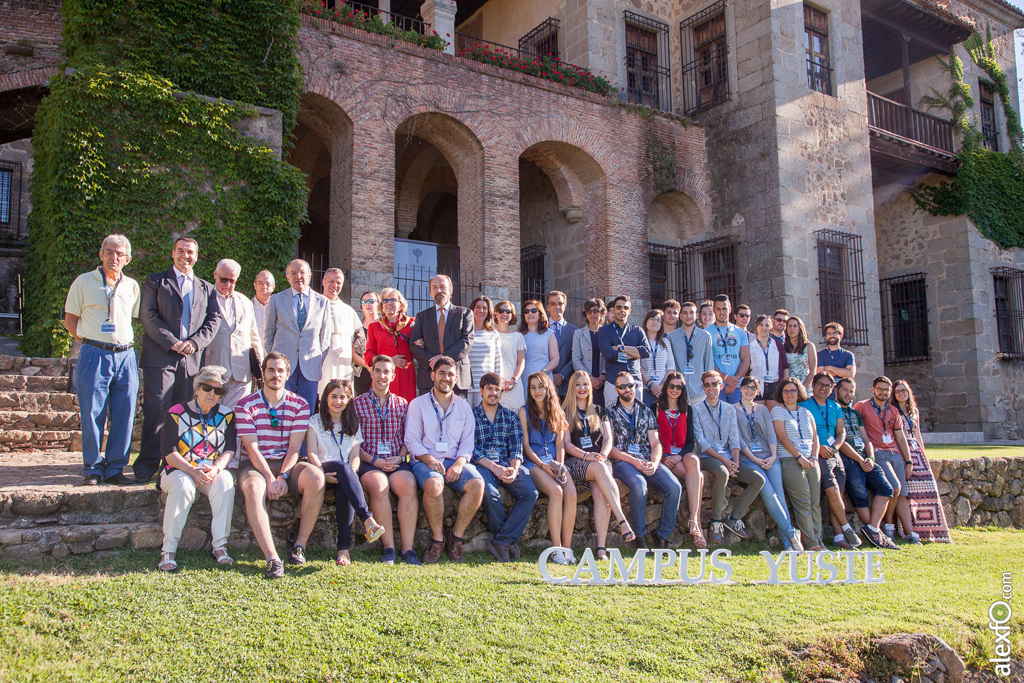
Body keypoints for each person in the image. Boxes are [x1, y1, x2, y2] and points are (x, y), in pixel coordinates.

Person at [137, 236, 222, 484]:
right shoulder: (156, 281)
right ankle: (147, 464)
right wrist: (173, 342)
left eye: (191, 252)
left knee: (184, 414)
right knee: (157, 410)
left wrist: (194, 343)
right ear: (173, 253)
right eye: (181, 251)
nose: (186, 255)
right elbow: (148, 316)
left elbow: (213, 320)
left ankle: (177, 465)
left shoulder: (206, 288)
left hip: (191, 360)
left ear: (197, 256)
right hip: (161, 356)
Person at [234, 352, 325, 579]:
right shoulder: (245, 405)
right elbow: (252, 449)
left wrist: (283, 476)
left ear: (287, 375)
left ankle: (299, 546)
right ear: (263, 374)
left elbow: (295, 448)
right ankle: (272, 558)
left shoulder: (300, 404)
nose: (276, 375)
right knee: (254, 489)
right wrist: (269, 478)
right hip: (256, 464)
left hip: (288, 463)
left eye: (280, 371)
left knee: (316, 478)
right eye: (271, 370)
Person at [63, 234, 142, 486]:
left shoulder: (132, 286)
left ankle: (116, 468)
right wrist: (92, 340)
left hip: (125, 355)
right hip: (94, 354)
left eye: (119, 254)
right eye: (109, 252)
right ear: (101, 254)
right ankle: (93, 468)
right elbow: (70, 320)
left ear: (127, 259)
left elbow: (132, 319)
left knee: (125, 412)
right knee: (92, 412)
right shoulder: (83, 282)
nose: (114, 257)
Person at [157, 365, 237, 571]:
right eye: (207, 388)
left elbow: (229, 449)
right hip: (178, 470)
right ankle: (168, 550)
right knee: (184, 487)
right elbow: (168, 452)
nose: (212, 394)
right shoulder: (176, 413)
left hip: (210, 471)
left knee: (226, 481)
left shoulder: (226, 415)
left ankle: (220, 546)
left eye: (218, 390)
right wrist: (192, 471)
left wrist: (217, 469)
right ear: (197, 388)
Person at [404, 356, 484, 563]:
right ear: (432, 375)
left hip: (453, 461)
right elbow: (411, 441)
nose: (446, 378)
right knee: (434, 484)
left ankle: (455, 537)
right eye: (441, 373)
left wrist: (459, 463)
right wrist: (429, 459)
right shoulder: (417, 404)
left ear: (456, 378)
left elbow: (467, 443)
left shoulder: (464, 408)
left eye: (450, 374)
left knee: (477, 484)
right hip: (424, 461)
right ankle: (438, 540)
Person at [306, 379, 385, 566]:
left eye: (343, 397)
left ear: (349, 399)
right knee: (342, 467)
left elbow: (355, 456)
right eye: (334, 396)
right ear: (326, 398)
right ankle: (367, 519)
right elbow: (311, 453)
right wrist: (321, 474)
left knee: (344, 482)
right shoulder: (315, 421)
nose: (338, 401)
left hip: (345, 473)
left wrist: (352, 471)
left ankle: (343, 550)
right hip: (322, 469)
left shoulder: (352, 423)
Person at [561, 370, 636, 560]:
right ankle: (622, 520)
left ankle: (601, 549)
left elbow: (608, 438)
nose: (582, 388)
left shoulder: (600, 410)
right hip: (577, 461)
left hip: (600, 461)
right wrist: (587, 456)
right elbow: (567, 445)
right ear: (572, 387)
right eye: (577, 384)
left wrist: (602, 455)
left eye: (585, 384)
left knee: (601, 495)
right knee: (601, 469)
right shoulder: (565, 411)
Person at [353, 355, 421, 565]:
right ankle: (389, 548)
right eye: (378, 370)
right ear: (371, 373)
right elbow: (354, 443)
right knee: (379, 485)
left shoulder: (402, 404)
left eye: (386, 372)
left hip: (396, 460)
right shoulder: (357, 404)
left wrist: (400, 456)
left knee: (408, 485)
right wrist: (375, 461)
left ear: (393, 376)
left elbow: (407, 438)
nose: (382, 375)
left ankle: (408, 550)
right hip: (368, 461)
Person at [607, 371, 682, 549]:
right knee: (640, 485)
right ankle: (639, 537)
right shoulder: (608, 413)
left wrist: (655, 463)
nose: (627, 389)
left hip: (647, 459)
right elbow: (610, 448)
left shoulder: (646, 411)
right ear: (616, 390)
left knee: (674, 487)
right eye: (622, 387)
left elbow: (655, 443)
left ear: (636, 386)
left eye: (630, 385)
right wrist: (634, 462)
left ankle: (662, 535)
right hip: (623, 462)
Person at [473, 372, 539, 562]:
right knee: (490, 494)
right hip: (484, 465)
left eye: (497, 390)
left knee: (530, 493)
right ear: (481, 391)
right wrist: (495, 468)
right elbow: (472, 450)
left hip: (508, 465)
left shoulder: (510, 416)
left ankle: (502, 540)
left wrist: (514, 468)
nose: (493, 393)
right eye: (489, 389)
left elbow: (516, 447)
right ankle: (506, 540)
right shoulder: (471, 415)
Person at [692, 370, 761, 544]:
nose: (711, 388)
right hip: (707, 456)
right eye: (707, 385)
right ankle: (716, 521)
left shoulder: (729, 409)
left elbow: (734, 438)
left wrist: (736, 462)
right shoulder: (697, 409)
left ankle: (734, 518)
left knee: (758, 480)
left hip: (729, 456)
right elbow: (701, 441)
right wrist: (726, 462)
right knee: (722, 472)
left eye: (714, 384)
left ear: (721, 386)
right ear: (703, 388)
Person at [736, 377, 802, 551]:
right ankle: (792, 534)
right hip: (750, 459)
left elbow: (772, 434)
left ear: (758, 392)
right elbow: (738, 439)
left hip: (770, 458)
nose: (749, 391)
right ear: (740, 389)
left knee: (780, 497)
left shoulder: (764, 409)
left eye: (753, 388)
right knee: (769, 495)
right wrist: (755, 459)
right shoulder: (732, 410)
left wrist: (773, 456)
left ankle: (789, 543)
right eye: (746, 387)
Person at [519, 372, 576, 564]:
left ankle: (567, 549)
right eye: (533, 387)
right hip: (534, 463)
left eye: (541, 386)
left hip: (554, 461)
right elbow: (526, 447)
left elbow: (560, 445)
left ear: (548, 388)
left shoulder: (557, 411)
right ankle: (556, 548)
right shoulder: (524, 411)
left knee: (571, 494)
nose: (537, 391)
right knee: (556, 491)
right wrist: (543, 465)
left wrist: (559, 464)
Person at [834, 377, 898, 550]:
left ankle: (873, 529)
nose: (848, 394)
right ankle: (877, 536)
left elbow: (866, 438)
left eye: (851, 391)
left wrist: (870, 458)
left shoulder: (855, 413)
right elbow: (841, 440)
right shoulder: (833, 410)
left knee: (887, 488)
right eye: (845, 390)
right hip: (849, 459)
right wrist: (860, 460)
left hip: (866, 458)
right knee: (860, 494)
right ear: (837, 391)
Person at [801, 371, 861, 550]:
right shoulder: (804, 405)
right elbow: (803, 432)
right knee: (833, 490)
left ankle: (838, 536)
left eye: (828, 385)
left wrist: (835, 447)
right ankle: (847, 527)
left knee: (838, 495)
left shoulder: (834, 406)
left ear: (832, 388)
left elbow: (841, 432)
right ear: (813, 385)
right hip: (817, 453)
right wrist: (819, 448)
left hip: (834, 453)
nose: (823, 388)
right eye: (820, 384)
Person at [854, 376, 918, 545]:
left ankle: (910, 533)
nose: (883, 392)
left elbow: (900, 436)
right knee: (895, 487)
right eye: (880, 389)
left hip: (894, 454)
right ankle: (887, 525)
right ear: (873, 389)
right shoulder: (862, 406)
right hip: (877, 453)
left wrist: (908, 461)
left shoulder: (893, 411)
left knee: (902, 494)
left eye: (886, 390)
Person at [263, 259, 332, 412]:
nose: (298, 276)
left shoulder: (323, 302)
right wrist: (276, 361)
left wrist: (316, 361)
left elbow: (325, 339)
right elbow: (268, 335)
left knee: (307, 413)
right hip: (282, 368)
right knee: (281, 410)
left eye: (302, 272)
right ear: (287, 277)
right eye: (293, 273)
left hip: (310, 368)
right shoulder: (275, 300)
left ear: (309, 275)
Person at [772, 377, 825, 551]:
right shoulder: (777, 411)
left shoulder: (806, 412)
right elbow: (783, 437)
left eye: (793, 391)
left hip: (811, 460)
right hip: (790, 459)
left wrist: (814, 458)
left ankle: (819, 539)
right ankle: (811, 542)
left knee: (815, 502)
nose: (789, 394)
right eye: (786, 391)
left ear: (799, 392)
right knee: (802, 501)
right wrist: (798, 457)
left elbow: (815, 437)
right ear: (781, 393)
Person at [654, 371, 706, 548]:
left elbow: (691, 441)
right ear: (666, 387)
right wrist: (664, 456)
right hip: (665, 456)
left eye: (679, 387)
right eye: (671, 386)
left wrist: (679, 455)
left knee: (694, 461)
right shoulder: (656, 408)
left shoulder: (687, 410)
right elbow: (653, 440)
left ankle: (693, 519)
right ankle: (696, 524)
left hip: (682, 455)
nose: (675, 390)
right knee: (698, 478)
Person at [203, 259, 264, 408]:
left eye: (232, 281)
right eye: (224, 280)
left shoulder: (245, 302)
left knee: (237, 418)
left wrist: (260, 364)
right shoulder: (203, 298)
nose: (228, 285)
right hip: (212, 367)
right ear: (215, 274)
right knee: (210, 415)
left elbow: (254, 337)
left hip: (241, 372)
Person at [409, 274, 474, 397]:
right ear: (430, 292)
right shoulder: (422, 316)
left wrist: (443, 358)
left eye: (442, 287)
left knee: (457, 415)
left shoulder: (465, 314)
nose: (439, 290)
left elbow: (467, 341)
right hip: (429, 376)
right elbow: (414, 344)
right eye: (435, 287)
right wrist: (432, 361)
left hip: (457, 378)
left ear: (450, 289)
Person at [891, 380, 929, 544]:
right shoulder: (894, 411)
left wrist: (923, 453)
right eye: (898, 391)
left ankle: (926, 527)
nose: (901, 393)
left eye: (904, 390)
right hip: (902, 450)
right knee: (906, 490)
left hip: (915, 452)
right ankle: (905, 528)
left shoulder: (914, 412)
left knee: (924, 491)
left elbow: (917, 433)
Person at [597, 295, 652, 407]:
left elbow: (646, 352)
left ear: (630, 311)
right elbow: (608, 354)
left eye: (625, 308)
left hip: (635, 382)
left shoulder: (637, 331)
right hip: (613, 382)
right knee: (612, 419)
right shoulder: (604, 331)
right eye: (619, 307)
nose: (622, 310)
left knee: (636, 419)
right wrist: (634, 353)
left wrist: (621, 348)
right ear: (613, 309)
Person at [365, 287, 416, 403]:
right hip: (382, 377)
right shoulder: (374, 327)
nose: (389, 303)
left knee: (406, 411)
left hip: (405, 377)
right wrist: (390, 361)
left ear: (400, 304)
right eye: (385, 301)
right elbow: (368, 354)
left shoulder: (412, 323)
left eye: (393, 300)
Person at [319, 268, 362, 394]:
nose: (334, 285)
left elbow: (360, 341)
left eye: (338, 283)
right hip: (320, 366)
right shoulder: (314, 306)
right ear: (323, 282)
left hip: (343, 367)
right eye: (331, 281)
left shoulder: (348, 311)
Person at [665, 301, 715, 408]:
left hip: (700, 391)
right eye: (685, 313)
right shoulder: (671, 337)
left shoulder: (705, 336)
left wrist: (707, 387)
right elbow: (670, 365)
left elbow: (709, 364)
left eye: (691, 313)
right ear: (681, 316)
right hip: (679, 391)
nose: (688, 316)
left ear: (696, 316)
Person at [708, 294, 750, 404]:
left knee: (737, 419)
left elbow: (745, 359)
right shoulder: (706, 333)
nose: (721, 312)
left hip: (737, 386)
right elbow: (707, 360)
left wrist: (734, 380)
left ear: (730, 309)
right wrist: (726, 378)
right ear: (714, 310)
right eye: (718, 309)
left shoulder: (740, 332)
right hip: (716, 385)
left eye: (724, 309)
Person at [466, 295, 503, 407]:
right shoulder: (464, 332)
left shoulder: (493, 333)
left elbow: (498, 359)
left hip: (486, 385)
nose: (480, 310)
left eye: (484, 308)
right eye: (477, 307)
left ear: (488, 311)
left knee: (484, 417)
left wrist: (498, 382)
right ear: (472, 309)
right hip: (466, 383)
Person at [571, 298, 607, 407]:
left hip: (605, 382)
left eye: (595, 311)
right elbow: (576, 359)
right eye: (588, 312)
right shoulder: (578, 334)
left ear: (601, 313)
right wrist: (590, 378)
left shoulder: (608, 332)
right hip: (585, 383)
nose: (592, 314)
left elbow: (612, 357)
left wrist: (602, 377)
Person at [748, 314, 789, 408]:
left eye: (767, 325)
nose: (764, 328)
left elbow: (785, 366)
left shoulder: (778, 345)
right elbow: (747, 369)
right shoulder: (750, 346)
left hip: (774, 385)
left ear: (770, 327)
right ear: (756, 327)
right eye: (761, 325)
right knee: (759, 418)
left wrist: (785, 384)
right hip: (757, 385)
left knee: (774, 417)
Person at [494, 300, 527, 411]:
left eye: (508, 311)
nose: (504, 314)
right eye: (501, 310)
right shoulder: (489, 334)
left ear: (512, 315)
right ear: (495, 313)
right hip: (495, 384)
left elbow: (521, 362)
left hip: (514, 384)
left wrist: (514, 380)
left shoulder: (518, 337)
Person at [639, 309, 675, 407]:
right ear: (646, 322)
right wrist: (650, 385)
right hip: (645, 389)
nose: (655, 322)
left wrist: (662, 385)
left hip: (663, 390)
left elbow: (671, 367)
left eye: (658, 320)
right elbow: (637, 366)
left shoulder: (665, 342)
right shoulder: (639, 342)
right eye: (652, 319)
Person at [546, 290, 578, 399]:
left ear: (565, 306)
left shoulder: (575, 331)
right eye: (553, 304)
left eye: (560, 303)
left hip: (567, 386)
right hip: (544, 385)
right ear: (547, 307)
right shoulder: (540, 330)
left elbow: (576, 357)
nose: (557, 306)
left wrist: (561, 375)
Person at [520, 299, 558, 380]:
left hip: (543, 379)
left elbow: (555, 359)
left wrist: (543, 373)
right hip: (523, 378)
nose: (530, 313)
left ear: (540, 314)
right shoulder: (518, 335)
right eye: (526, 311)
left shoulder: (549, 333)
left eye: (534, 311)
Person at [352, 290, 379, 396]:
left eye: (371, 301)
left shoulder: (385, 326)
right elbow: (352, 353)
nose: (368, 304)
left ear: (378, 304)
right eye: (364, 301)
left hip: (380, 372)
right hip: (361, 373)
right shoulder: (356, 328)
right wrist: (368, 367)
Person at [784, 315, 817, 389]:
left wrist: (802, 388)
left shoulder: (809, 346)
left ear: (800, 328)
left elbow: (813, 371)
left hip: (805, 385)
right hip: (789, 387)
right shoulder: (783, 347)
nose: (792, 328)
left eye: (795, 326)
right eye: (789, 326)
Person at [252, 270, 276, 342]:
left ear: (273, 287)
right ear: (255, 285)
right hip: (251, 351)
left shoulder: (279, 308)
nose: (264, 286)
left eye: (267, 284)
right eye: (260, 283)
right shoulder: (246, 307)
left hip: (272, 351)